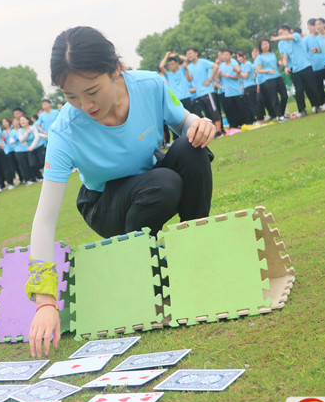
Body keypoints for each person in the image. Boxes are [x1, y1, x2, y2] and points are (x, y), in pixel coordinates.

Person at [27, 26, 215, 357]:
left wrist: (200, 124)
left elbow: (185, 122)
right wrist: (45, 301)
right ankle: (140, 270)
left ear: (115, 70)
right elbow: (45, 218)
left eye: (91, 91)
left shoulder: (151, 85)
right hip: (105, 204)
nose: (84, 105)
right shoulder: (64, 131)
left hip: (150, 180)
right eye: (71, 96)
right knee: (164, 183)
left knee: (192, 150)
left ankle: (194, 254)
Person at [271, 25, 322, 117]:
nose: (280, 35)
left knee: (311, 87)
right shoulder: (285, 45)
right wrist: (285, 66)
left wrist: (276, 38)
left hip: (306, 66)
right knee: (299, 90)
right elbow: (285, 57)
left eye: (281, 33)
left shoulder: (296, 36)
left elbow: (289, 37)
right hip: (295, 70)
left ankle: (317, 106)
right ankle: (302, 110)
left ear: (287, 31)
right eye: (279, 34)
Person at [185, 47, 223, 137]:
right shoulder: (189, 67)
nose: (189, 55)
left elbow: (215, 66)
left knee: (214, 111)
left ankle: (219, 131)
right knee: (207, 114)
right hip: (199, 94)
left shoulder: (202, 62)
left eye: (190, 53)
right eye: (187, 54)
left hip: (208, 91)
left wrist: (210, 80)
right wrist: (186, 69)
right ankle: (213, 132)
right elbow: (189, 79)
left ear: (196, 53)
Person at [255, 38, 288, 120]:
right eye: (263, 44)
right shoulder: (260, 57)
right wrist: (268, 70)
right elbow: (259, 70)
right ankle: (280, 116)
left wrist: (279, 63)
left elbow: (275, 63)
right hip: (269, 79)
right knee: (274, 98)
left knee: (285, 96)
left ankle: (281, 113)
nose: (266, 46)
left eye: (266, 43)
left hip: (278, 77)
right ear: (260, 47)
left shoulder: (272, 54)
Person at [218, 48, 251, 129]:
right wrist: (219, 74)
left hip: (236, 90)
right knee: (231, 110)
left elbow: (237, 76)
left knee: (241, 108)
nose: (224, 56)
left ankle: (246, 122)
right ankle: (234, 125)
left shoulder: (233, 63)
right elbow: (219, 78)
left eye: (226, 55)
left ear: (230, 56)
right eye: (223, 55)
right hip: (227, 92)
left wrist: (226, 75)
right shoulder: (221, 65)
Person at [304, 19, 325, 110]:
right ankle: (323, 102)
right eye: (312, 26)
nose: (315, 27)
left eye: (316, 25)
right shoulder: (306, 39)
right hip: (315, 66)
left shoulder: (322, 36)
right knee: (319, 86)